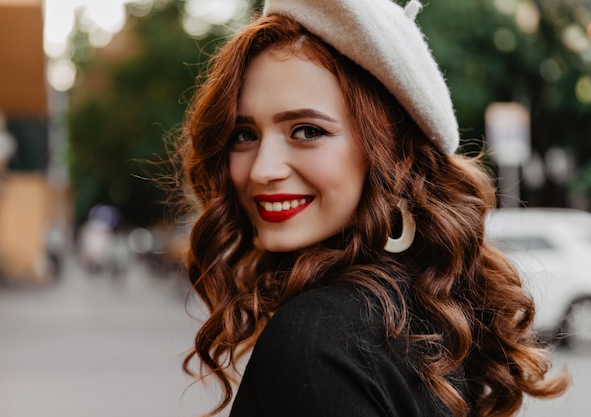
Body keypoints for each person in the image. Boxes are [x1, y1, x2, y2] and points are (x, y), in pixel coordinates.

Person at [177, 0, 569, 416]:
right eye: (243, 134)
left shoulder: (315, 338)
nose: (263, 169)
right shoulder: (426, 313)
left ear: (391, 152)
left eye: (307, 131)